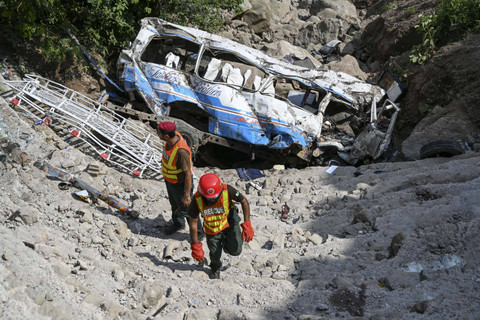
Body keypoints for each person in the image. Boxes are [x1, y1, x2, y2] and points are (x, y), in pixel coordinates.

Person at [188, 173, 254, 279]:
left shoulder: (227, 190)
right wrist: (195, 245)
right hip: (212, 228)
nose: (211, 200)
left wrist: (247, 223)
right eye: (208, 198)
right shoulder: (196, 200)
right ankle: (215, 269)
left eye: (214, 197)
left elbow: (244, 201)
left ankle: (226, 244)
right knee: (214, 253)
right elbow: (193, 223)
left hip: (229, 221)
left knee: (236, 250)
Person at [157, 121, 197, 235]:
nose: (157, 133)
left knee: (187, 209)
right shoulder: (171, 138)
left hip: (180, 184)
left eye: (158, 132)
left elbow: (188, 174)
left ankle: (198, 232)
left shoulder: (181, 151)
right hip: (171, 181)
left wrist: (187, 195)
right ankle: (178, 224)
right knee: (174, 205)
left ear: (166, 136)